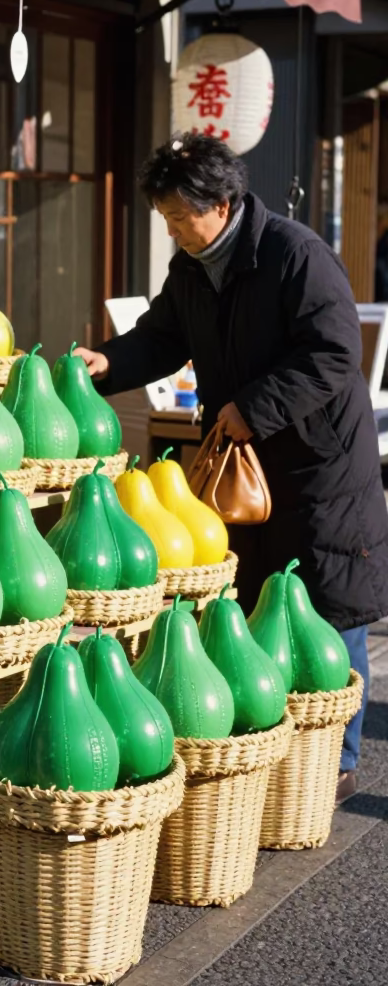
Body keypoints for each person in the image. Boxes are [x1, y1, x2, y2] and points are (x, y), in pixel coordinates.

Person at [77, 134, 388, 800]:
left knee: (326, 605)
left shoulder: (295, 254)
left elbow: (334, 355)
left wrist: (254, 405)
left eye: (179, 215)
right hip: (243, 462)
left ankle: (338, 757)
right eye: (164, 217)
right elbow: (165, 335)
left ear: (222, 203)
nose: (172, 228)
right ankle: (272, 745)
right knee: (252, 601)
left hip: (316, 464)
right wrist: (108, 362)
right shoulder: (192, 266)